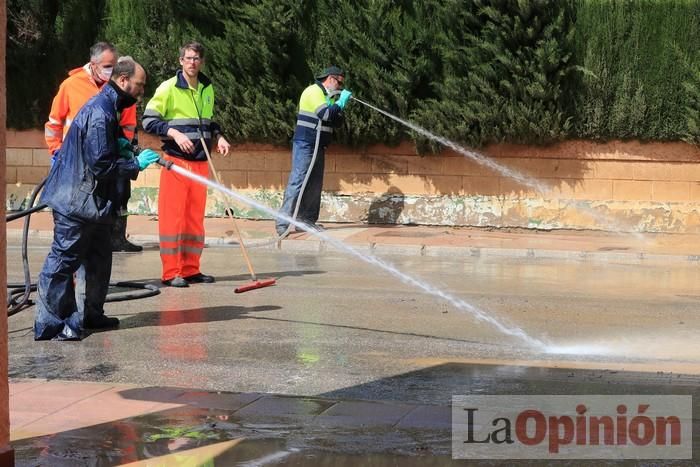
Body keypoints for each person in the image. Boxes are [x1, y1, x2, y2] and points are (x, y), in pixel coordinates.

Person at [34, 57, 161, 341]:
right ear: (124, 80)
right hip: (76, 202)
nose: (141, 91)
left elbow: (104, 152)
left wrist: (122, 146)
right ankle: (52, 324)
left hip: (95, 203)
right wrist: (135, 164)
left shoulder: (109, 109)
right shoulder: (101, 112)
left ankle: (92, 313)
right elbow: (101, 165)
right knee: (63, 262)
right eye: (139, 85)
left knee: (100, 259)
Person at [143, 41, 230, 288]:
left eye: (197, 59)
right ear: (181, 60)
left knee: (194, 218)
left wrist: (220, 135)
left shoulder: (207, 87)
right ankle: (171, 272)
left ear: (201, 61)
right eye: (188, 58)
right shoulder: (168, 88)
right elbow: (149, 120)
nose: (192, 62)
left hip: (201, 162)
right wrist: (174, 133)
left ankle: (191, 269)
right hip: (176, 163)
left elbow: (208, 122)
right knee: (173, 218)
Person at [45, 41, 143, 253]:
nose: (112, 70)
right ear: (94, 64)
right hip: (74, 165)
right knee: (71, 225)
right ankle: (67, 278)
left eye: (114, 65)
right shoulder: (71, 85)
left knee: (114, 204)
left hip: (106, 163)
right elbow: (54, 123)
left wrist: (123, 148)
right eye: (108, 65)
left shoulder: (120, 92)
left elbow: (127, 124)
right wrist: (56, 151)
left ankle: (116, 240)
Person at [275, 66, 352, 236]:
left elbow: (336, 121)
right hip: (305, 144)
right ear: (331, 79)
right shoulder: (313, 91)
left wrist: (337, 105)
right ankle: (283, 223)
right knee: (298, 181)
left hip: (319, 145)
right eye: (339, 83)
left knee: (314, 184)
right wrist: (339, 103)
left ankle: (306, 221)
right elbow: (325, 115)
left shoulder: (327, 96)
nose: (339, 87)